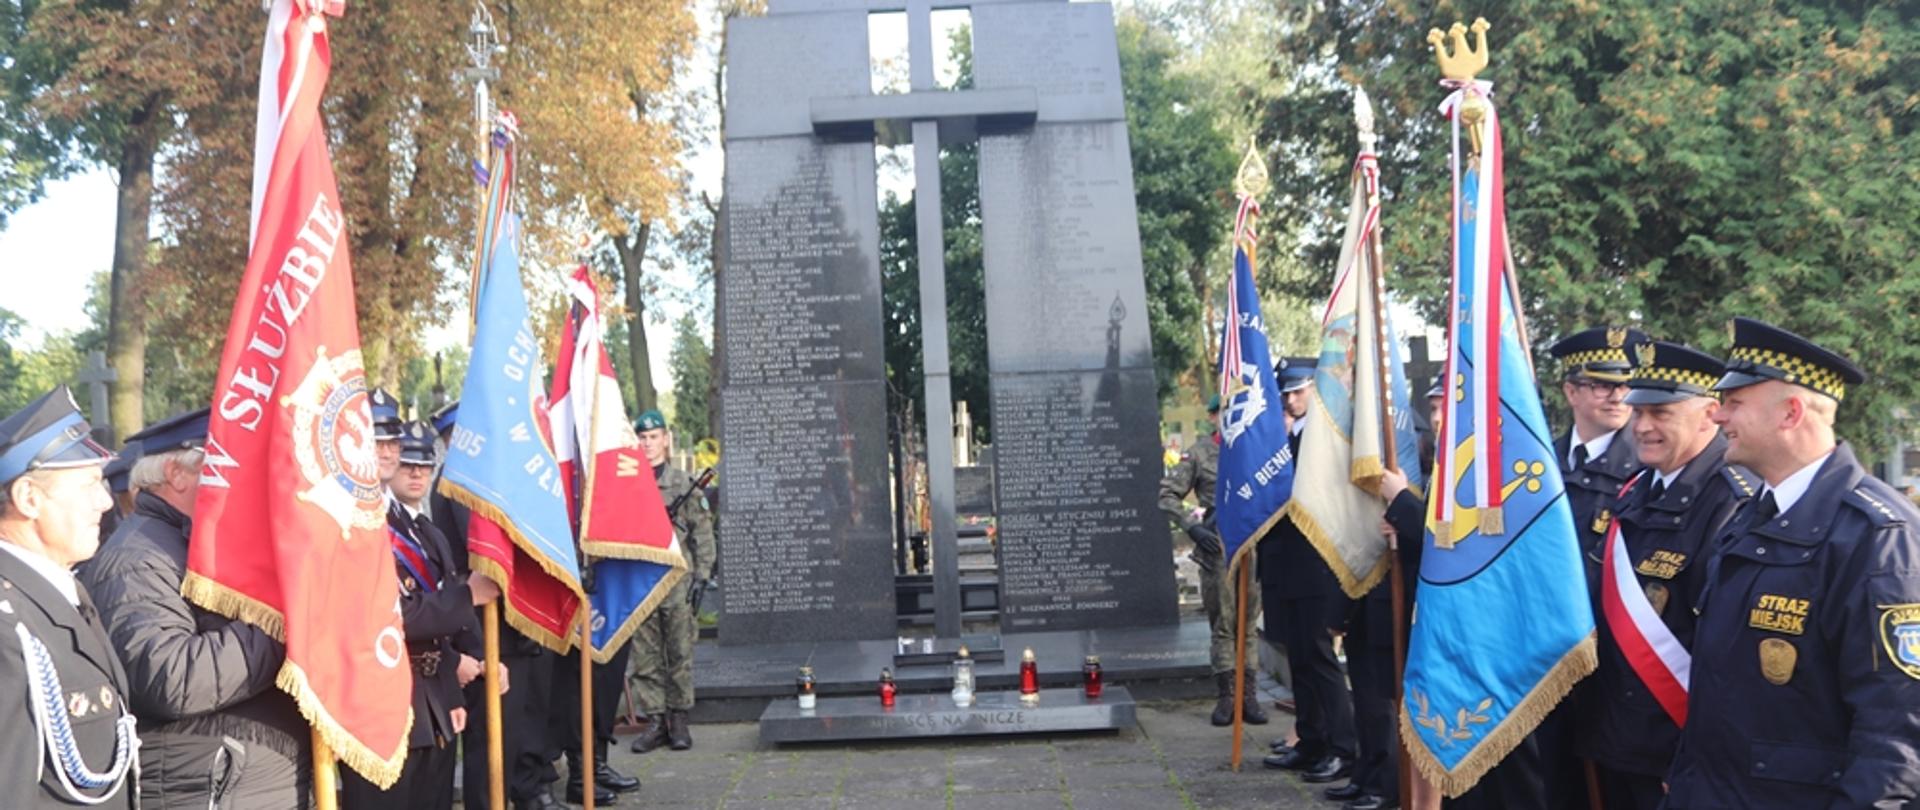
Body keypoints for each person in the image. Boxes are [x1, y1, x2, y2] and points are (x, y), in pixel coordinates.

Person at [1664, 318, 1920, 808]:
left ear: (1791, 413)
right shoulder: (1751, 519)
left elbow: (1898, 736)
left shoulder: (1877, 536)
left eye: (1735, 403)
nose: (1718, 417)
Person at [82, 408, 310, 808]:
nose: (240, 476)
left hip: (249, 782)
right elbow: (171, 679)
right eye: (222, 462)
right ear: (176, 472)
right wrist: (281, 622)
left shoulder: (200, 545)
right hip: (209, 788)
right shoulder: (138, 556)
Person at [1574, 341, 1753, 810]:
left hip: (1678, 752)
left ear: (1708, 414)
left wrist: (1693, 757)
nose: (1643, 427)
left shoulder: (1732, 502)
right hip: (1619, 736)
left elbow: (1727, 657)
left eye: (1661, 413)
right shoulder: (1635, 491)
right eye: (1638, 413)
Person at [340, 421, 500, 808]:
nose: (390, 452)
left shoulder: (418, 530)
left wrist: (449, 690)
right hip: (378, 706)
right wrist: (466, 597)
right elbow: (389, 616)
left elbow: (438, 623)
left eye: (393, 443)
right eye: (378, 442)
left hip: (430, 706)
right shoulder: (347, 524)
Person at [0, 386, 139, 808]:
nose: (104, 501)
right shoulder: (8, 627)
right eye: (89, 484)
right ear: (29, 498)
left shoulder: (62, 589)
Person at [1261, 358, 1359, 785]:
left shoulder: (1325, 445)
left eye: (1299, 391)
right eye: (1286, 393)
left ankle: (1342, 747)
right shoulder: (1285, 442)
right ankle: (1312, 740)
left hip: (1316, 569)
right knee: (1299, 657)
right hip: (1284, 568)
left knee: (1320, 660)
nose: (1291, 399)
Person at [1158, 393, 1266, 727]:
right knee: (1224, 624)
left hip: (1254, 547)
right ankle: (1227, 695)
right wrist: (1192, 527)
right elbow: (1167, 495)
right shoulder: (1201, 452)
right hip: (1217, 549)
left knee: (1249, 624)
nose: (1228, 417)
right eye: (1222, 413)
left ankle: (1248, 695)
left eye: (1234, 411)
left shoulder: (1256, 449)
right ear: (1212, 417)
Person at [627, 410, 715, 755]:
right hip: (640, 579)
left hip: (677, 579)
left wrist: (703, 576)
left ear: (666, 439)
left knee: (679, 650)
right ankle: (654, 720)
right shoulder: (629, 483)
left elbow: (702, 533)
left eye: (654, 437)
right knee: (645, 655)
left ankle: (678, 718)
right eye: (643, 438)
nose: (648, 444)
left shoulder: (683, 484)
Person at [1547, 326, 1650, 554]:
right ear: (1571, 392)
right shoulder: (1543, 461)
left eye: (1627, 386)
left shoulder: (1646, 467)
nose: (1618, 398)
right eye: (1603, 387)